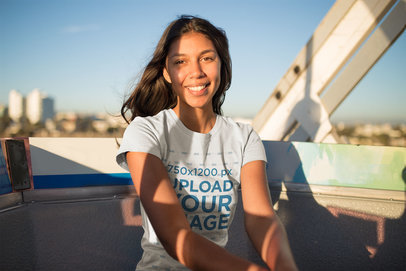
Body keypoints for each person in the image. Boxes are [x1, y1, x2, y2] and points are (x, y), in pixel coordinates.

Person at [117, 15, 298, 271]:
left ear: (221, 65)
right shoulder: (146, 132)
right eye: (181, 61)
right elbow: (174, 235)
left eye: (207, 58)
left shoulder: (244, 138)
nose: (196, 72)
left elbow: (261, 218)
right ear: (167, 73)